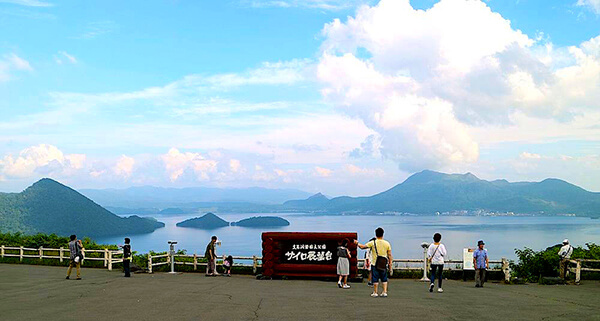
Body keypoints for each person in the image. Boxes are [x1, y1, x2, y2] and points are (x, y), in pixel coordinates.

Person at [356, 227, 393, 298]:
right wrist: (390, 264)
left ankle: (375, 292)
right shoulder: (387, 243)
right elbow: (389, 255)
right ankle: (384, 292)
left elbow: (363, 247)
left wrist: (357, 243)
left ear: (376, 234)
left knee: (375, 278)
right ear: (383, 234)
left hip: (374, 263)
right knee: (384, 278)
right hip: (383, 263)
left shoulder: (372, 242)